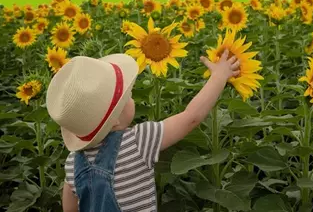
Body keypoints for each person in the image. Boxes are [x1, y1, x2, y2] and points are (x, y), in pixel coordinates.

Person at [46, 49, 240, 212]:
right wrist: (219, 77)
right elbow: (190, 118)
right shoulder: (139, 141)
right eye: (127, 97)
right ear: (114, 121)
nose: (132, 98)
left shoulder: (72, 163)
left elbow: (70, 209)